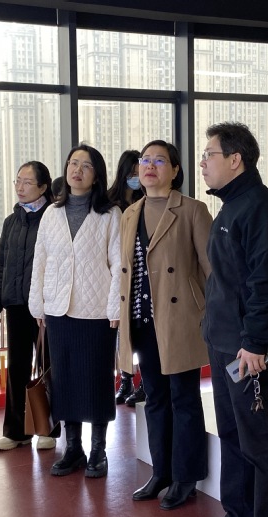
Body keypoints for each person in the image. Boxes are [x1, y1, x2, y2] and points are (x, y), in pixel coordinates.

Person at [191, 122, 268, 517]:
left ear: (235, 160)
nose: (202, 163)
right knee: (233, 436)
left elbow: (267, 283)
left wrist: (254, 343)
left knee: (263, 444)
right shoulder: (231, 206)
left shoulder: (262, 209)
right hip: (223, 343)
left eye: (209, 155)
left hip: (248, 350)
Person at [119, 140, 212, 510]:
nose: (150, 166)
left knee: (184, 398)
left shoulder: (192, 210)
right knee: (155, 399)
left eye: (159, 160)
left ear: (175, 170)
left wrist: (213, 315)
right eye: (145, 160)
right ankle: (162, 472)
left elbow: (211, 269)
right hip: (142, 320)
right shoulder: (130, 213)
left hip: (180, 319)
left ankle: (186, 477)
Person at [28, 144, 121, 478]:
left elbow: (119, 263)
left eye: (86, 166)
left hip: (96, 312)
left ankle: (98, 450)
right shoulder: (52, 213)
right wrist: (37, 303)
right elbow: (40, 260)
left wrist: (115, 306)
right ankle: (73, 449)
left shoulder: (110, 214)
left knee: (96, 380)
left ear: (97, 176)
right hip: (58, 310)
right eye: (72, 163)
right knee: (64, 380)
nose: (77, 170)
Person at [0, 161, 61, 452]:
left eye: (27, 182)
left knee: (48, 367)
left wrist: (48, 302)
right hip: (16, 304)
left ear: (43, 187)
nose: (20, 187)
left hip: (45, 307)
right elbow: (1, 264)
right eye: (18, 181)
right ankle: (16, 431)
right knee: (17, 367)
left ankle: (48, 429)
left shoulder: (53, 218)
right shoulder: (11, 221)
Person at [107, 149, 146, 405]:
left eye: (137, 173)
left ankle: (144, 383)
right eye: (131, 173)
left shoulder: (146, 200)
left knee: (141, 333)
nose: (135, 178)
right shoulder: (111, 203)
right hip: (118, 277)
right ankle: (125, 380)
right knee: (122, 336)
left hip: (140, 276)